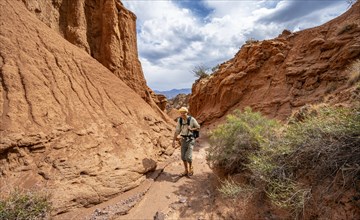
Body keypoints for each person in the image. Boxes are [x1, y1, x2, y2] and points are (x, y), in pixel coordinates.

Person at [172, 107, 200, 177]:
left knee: (188, 157)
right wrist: (173, 141)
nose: (182, 115)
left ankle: (190, 168)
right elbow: (177, 131)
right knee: (182, 157)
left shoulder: (192, 119)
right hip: (183, 140)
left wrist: (192, 129)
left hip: (191, 139)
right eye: (181, 113)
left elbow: (198, 127)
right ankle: (186, 170)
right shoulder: (180, 120)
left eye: (184, 113)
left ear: (187, 113)